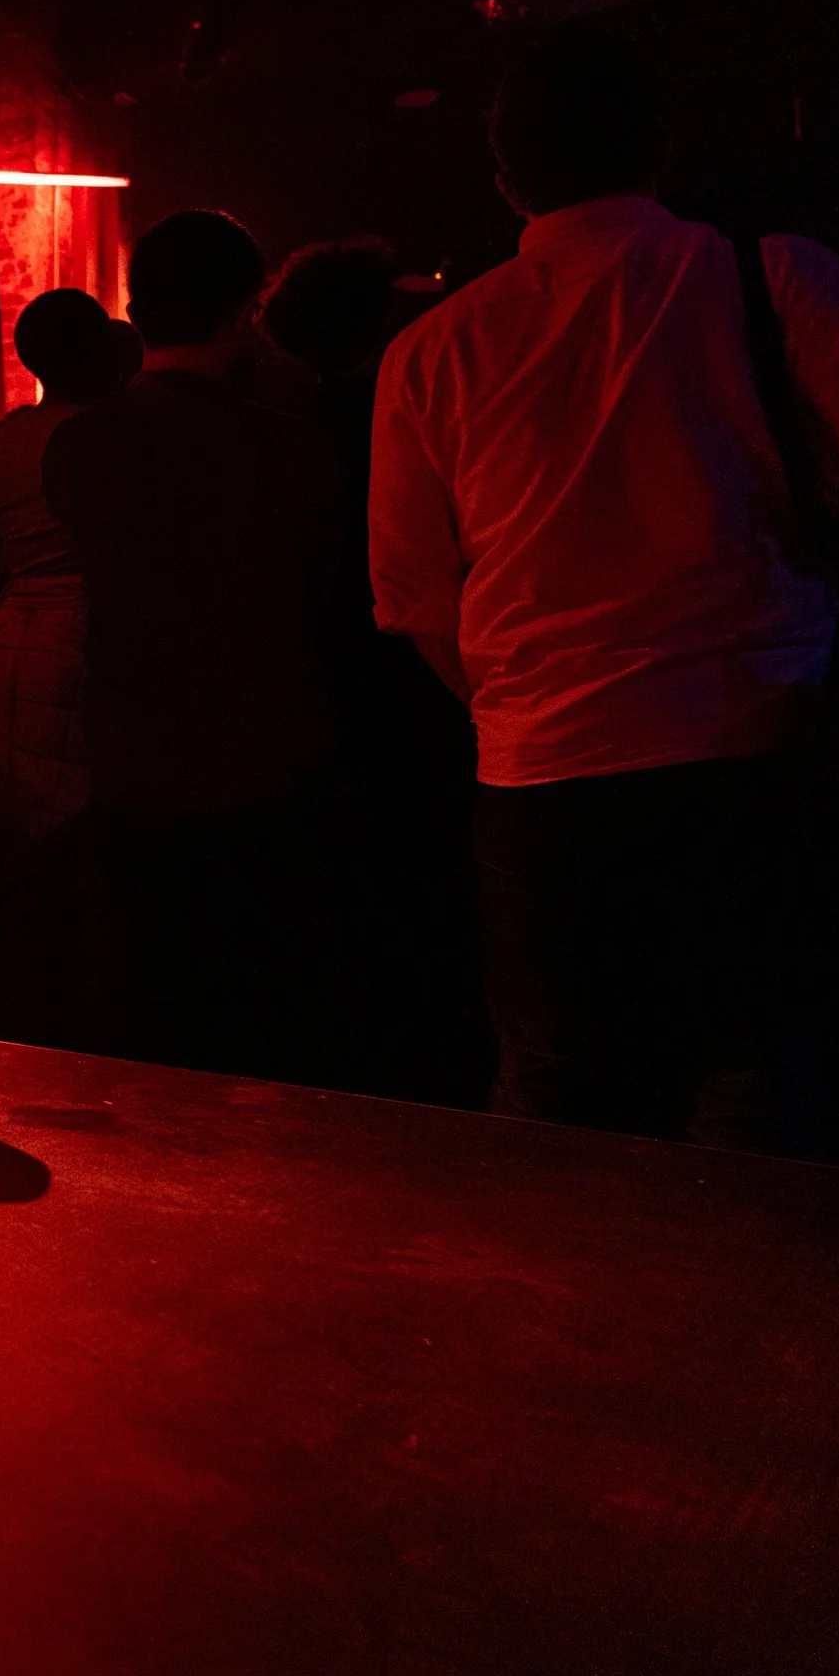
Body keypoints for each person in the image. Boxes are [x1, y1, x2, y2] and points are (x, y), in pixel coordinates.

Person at [368, 32, 839, 1141]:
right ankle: (750, 1306)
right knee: (748, 1067)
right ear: (659, 147)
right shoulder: (772, 273)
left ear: (503, 177)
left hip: (542, 763)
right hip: (753, 736)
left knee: (551, 1083)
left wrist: (514, 705)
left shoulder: (433, 346)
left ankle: (544, 1306)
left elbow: (415, 595)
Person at [43, 211, 346, 1078]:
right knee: (266, 1020)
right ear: (245, 312)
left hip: (133, 762)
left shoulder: (77, 445)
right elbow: (320, 588)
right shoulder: (289, 447)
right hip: (269, 759)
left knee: (155, 1021)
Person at [259, 237, 489, 1104]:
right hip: (427, 672)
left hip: (334, 680)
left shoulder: (296, 429)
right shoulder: (423, 395)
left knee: (372, 887)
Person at [0, 288, 141, 1036]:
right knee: (78, 831)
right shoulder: (99, 438)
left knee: (21, 813)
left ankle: (22, 1003)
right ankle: (78, 1015)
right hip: (79, 626)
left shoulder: (6, 438)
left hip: (16, 630)